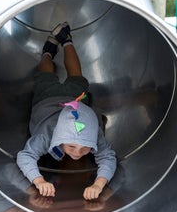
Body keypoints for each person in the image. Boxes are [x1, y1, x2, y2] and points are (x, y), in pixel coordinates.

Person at [16, 22, 116, 200]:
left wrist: (98, 184)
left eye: (85, 148)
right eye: (72, 146)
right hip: (48, 99)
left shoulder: (94, 134)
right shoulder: (47, 134)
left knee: (74, 75)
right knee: (51, 73)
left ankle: (64, 41)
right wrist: (39, 181)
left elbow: (108, 157)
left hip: (74, 99)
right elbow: (25, 156)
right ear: (59, 138)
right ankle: (50, 51)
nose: (77, 153)